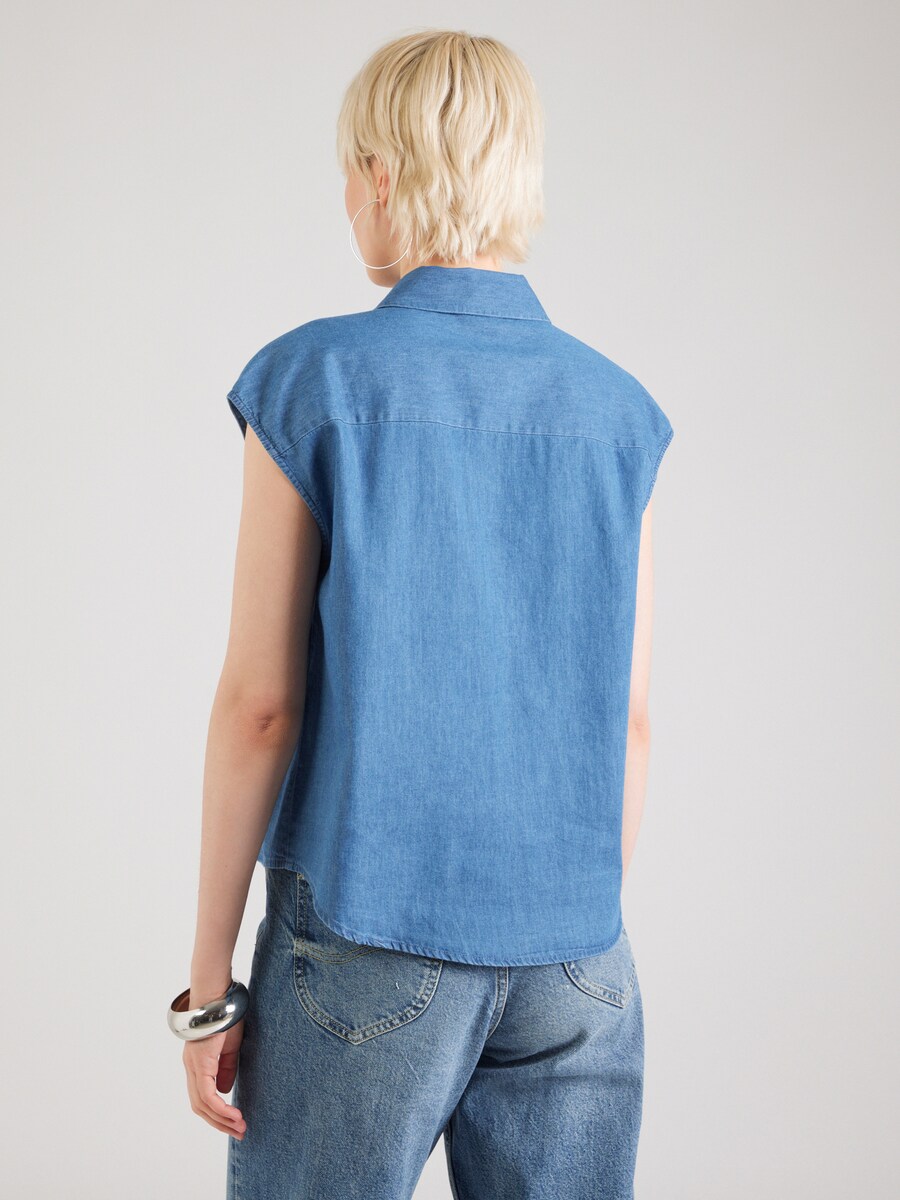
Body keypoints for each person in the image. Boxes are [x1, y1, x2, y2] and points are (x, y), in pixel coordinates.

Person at [168, 29, 674, 1200]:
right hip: (578, 955)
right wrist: (561, 920)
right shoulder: (618, 412)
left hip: (369, 928)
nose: (348, 202)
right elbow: (631, 721)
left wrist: (208, 990)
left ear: (385, 173)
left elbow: (260, 706)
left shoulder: (314, 381)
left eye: (349, 174)